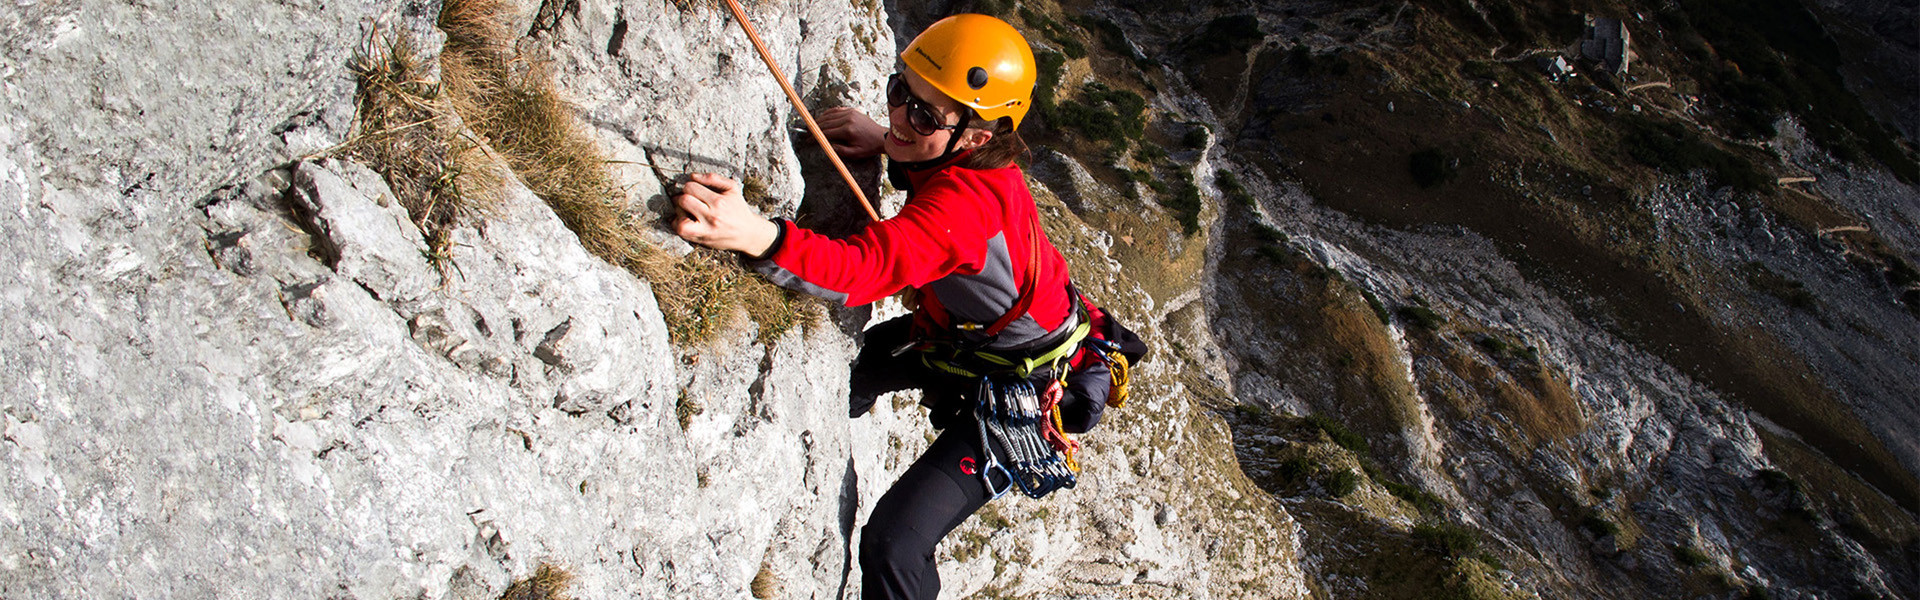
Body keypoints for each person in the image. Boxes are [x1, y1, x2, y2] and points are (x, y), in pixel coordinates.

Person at [671, 14, 1112, 599]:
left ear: (978, 136)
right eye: (901, 91)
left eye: (926, 115)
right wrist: (888, 137)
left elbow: (864, 268)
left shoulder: (961, 209)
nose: (904, 115)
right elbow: (925, 166)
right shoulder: (966, 159)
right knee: (869, 359)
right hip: (974, 340)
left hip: (1023, 387)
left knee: (894, 544)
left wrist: (757, 235)